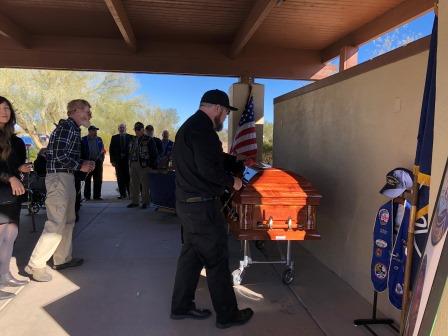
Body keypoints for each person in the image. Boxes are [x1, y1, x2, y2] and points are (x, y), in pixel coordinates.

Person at [170, 89, 253, 329]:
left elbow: (210, 158)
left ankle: (181, 306)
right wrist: (233, 181)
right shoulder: (203, 130)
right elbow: (208, 169)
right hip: (202, 207)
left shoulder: (191, 126)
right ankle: (228, 316)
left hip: (188, 205)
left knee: (191, 258)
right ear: (217, 108)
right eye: (226, 113)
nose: (225, 118)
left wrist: (236, 161)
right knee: (217, 261)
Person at [25, 99, 95, 282]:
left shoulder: (71, 128)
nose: (90, 114)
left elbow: (58, 154)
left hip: (66, 177)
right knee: (56, 222)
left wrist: (82, 165)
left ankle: (62, 259)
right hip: (59, 179)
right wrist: (81, 165)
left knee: (68, 220)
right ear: (76, 110)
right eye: (87, 111)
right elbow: (58, 155)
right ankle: (35, 265)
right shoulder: (66, 128)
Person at [0, 96, 31, 300]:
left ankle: (4, 276)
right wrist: (10, 177)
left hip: (12, 193)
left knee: (10, 236)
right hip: (3, 188)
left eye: (7, 108)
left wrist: (20, 168)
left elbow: (16, 163)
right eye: (0, 108)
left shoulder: (16, 140)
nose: (4, 111)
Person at [128, 122, 158, 209]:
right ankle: (135, 202)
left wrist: (150, 165)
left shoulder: (149, 139)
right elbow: (130, 151)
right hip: (133, 163)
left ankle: (145, 202)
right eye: (135, 129)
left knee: (145, 185)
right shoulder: (133, 139)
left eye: (138, 129)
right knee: (133, 184)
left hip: (144, 165)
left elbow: (154, 154)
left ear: (142, 129)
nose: (136, 131)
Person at [81, 125, 105, 200]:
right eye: (94, 130)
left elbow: (102, 149)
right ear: (90, 131)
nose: (96, 132)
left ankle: (97, 196)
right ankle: (87, 196)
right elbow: (81, 151)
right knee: (87, 179)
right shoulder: (84, 139)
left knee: (98, 179)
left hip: (98, 162)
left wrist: (102, 158)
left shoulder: (99, 139)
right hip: (88, 162)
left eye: (96, 130)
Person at [109, 123, 132, 199]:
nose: (122, 129)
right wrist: (112, 161)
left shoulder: (131, 137)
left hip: (128, 161)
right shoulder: (114, 138)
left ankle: (130, 194)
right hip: (118, 161)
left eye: (123, 127)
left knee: (128, 177)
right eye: (120, 128)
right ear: (118, 129)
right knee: (120, 177)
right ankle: (122, 194)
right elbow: (111, 150)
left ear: (125, 128)